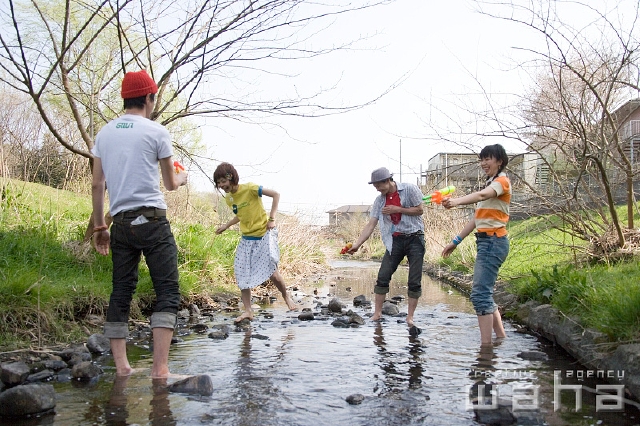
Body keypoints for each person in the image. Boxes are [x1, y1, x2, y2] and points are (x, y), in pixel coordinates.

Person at [91, 70, 188, 378]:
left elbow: (97, 185)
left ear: (124, 98)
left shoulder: (104, 134)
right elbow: (170, 183)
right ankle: (160, 369)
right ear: (149, 97)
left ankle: (122, 368)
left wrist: (99, 227)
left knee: (121, 289)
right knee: (168, 291)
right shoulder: (157, 131)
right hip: (153, 223)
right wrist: (182, 177)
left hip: (120, 224)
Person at [441, 144, 511, 346]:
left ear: (499, 161)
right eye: (482, 159)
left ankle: (486, 348)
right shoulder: (491, 183)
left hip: (494, 241)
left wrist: (455, 202)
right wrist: (455, 242)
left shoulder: (502, 182)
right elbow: (476, 218)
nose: (484, 163)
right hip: (486, 242)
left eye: (488, 159)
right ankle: (500, 339)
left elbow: (480, 196)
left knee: (480, 295)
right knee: (485, 293)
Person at [214, 162, 297, 322]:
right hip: (247, 238)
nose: (221, 185)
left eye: (223, 181)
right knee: (241, 273)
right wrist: (226, 225)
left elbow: (276, 195)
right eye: (218, 183)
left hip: (264, 234)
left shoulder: (251, 188)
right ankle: (248, 311)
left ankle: (286, 296)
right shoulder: (229, 199)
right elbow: (241, 215)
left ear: (230, 177)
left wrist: (272, 218)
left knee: (272, 273)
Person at [347, 167, 425, 332]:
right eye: (375, 186)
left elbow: (420, 210)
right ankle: (377, 313)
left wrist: (398, 209)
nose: (377, 189)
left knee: (414, 280)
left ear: (388, 181)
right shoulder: (379, 200)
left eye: (378, 185)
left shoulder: (409, 189)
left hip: (415, 238)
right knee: (383, 276)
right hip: (394, 240)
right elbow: (371, 224)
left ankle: (410, 317)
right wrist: (357, 244)